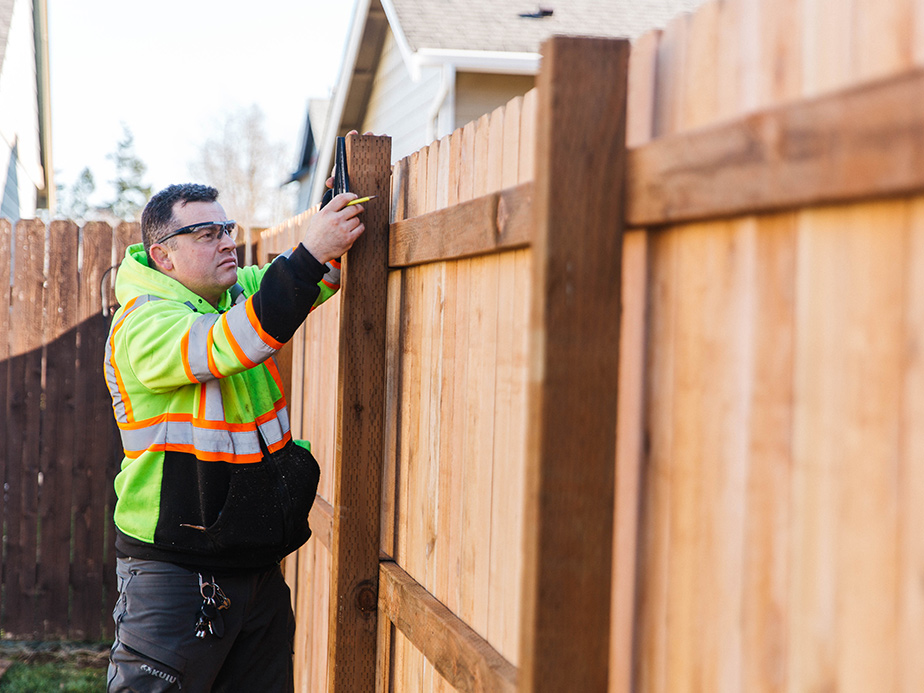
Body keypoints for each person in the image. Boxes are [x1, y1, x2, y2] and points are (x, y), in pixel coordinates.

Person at [104, 179, 366, 692]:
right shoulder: (144, 324)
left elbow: (307, 279)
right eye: (206, 233)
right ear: (164, 256)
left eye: (227, 228)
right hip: (177, 575)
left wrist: (332, 219)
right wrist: (311, 251)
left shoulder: (231, 293)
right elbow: (235, 340)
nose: (227, 241)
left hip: (255, 567)